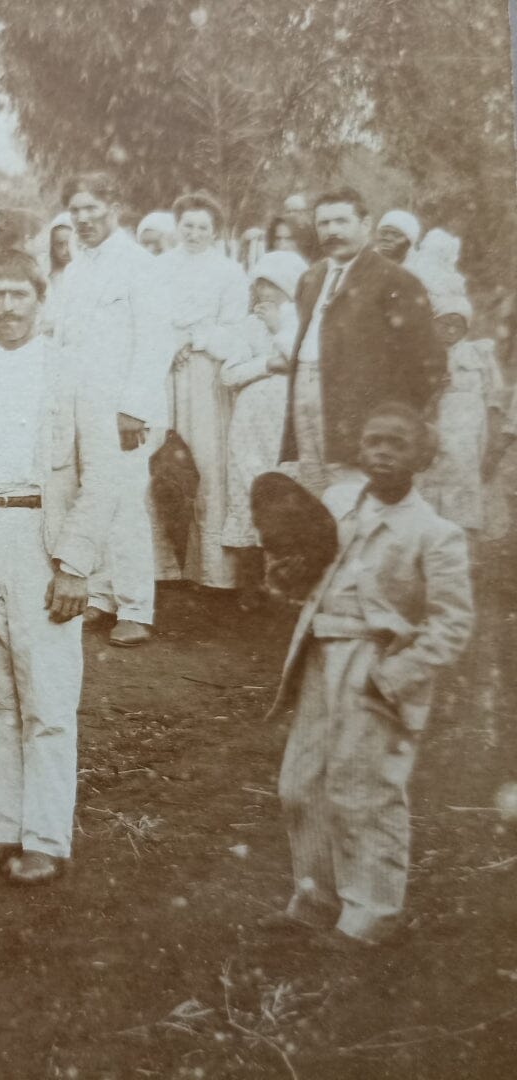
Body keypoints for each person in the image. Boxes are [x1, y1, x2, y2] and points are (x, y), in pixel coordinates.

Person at [0, 249, 120, 884]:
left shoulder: (76, 374)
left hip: (44, 541)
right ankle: (1, 830)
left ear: (41, 299)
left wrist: (75, 564)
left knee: (48, 694)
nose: (8, 307)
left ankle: (44, 835)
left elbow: (103, 476)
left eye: (20, 295)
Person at [263, 402, 473, 949]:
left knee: (364, 791)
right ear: (358, 448)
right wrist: (283, 576)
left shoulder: (436, 533)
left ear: (421, 456)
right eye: (373, 440)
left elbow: (452, 625)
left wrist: (397, 674)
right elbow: (306, 575)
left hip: (375, 667)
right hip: (318, 655)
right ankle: (315, 899)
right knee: (299, 785)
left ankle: (372, 913)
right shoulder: (335, 505)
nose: (382, 451)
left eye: (398, 443)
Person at [55, 172, 175, 645]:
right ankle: (100, 596)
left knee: (125, 501)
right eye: (76, 210)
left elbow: (154, 341)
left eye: (92, 208)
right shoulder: (77, 268)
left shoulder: (140, 265)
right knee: (92, 497)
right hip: (81, 403)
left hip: (123, 407)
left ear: (114, 207)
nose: (83, 218)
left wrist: (134, 408)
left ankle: (135, 607)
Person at [279, 187, 446, 497]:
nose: (333, 231)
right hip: (305, 397)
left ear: (366, 225)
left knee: (357, 497)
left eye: (342, 221)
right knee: (314, 499)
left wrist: (393, 419)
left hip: (361, 414)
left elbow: (429, 363)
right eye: (324, 223)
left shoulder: (395, 280)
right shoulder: (311, 278)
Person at [152, 191, 249, 592]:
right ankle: (161, 565)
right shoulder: (157, 268)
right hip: (162, 373)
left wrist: (194, 340)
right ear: (177, 227)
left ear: (215, 231)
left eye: (202, 227)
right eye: (187, 225)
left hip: (205, 374)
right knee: (158, 461)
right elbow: (150, 318)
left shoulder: (229, 273)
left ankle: (211, 571)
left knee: (207, 463)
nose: (193, 233)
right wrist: (166, 346)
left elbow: (234, 327)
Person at [221, 250, 308, 603]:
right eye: (260, 285)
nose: (265, 293)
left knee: (286, 490)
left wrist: (281, 329)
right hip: (250, 423)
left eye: (273, 285)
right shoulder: (248, 327)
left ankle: (287, 582)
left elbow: (302, 361)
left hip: (288, 420)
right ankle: (250, 584)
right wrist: (269, 364)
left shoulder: (304, 324)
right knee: (248, 489)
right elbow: (229, 374)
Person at [416, 294, 505, 537]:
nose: (451, 329)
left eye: (459, 324)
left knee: (464, 478)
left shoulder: (479, 353)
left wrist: (494, 435)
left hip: (469, 426)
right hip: (435, 422)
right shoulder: (422, 355)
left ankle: (461, 534)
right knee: (430, 475)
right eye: (445, 323)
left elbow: (494, 397)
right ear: (433, 323)